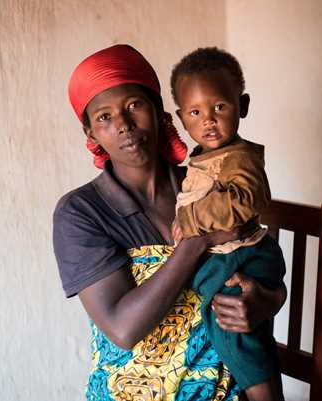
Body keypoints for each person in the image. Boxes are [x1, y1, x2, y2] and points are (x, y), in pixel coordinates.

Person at [53, 44, 286, 401]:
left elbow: (256, 258)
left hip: (228, 388)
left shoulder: (206, 182)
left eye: (135, 105)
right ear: (90, 135)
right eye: (104, 117)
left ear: (162, 115)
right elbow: (123, 328)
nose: (124, 125)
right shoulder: (82, 212)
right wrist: (199, 241)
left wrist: (267, 301)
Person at [170, 47, 286, 401]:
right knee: (220, 327)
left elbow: (247, 200)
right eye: (195, 112)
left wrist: (189, 219)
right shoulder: (203, 157)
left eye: (219, 107)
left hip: (245, 257)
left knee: (233, 328)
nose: (208, 120)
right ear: (181, 118)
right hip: (228, 256)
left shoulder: (241, 158)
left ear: (243, 105)